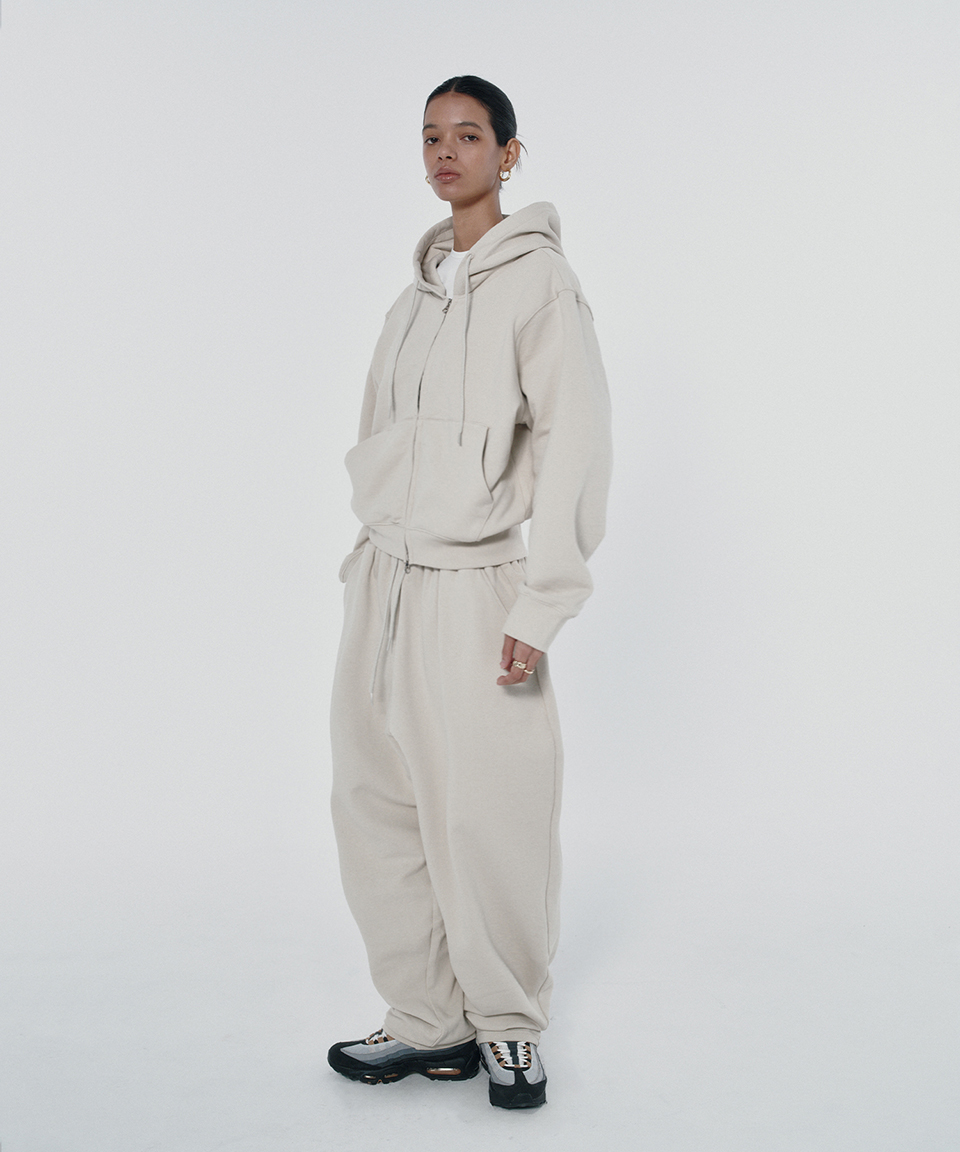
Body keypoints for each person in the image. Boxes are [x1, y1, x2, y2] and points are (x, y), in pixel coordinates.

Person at [327, 75, 612, 1111]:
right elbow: (378, 427)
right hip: (385, 579)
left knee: (492, 815)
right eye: (431, 137)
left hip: (476, 584)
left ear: (509, 154)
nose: (446, 152)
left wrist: (543, 602)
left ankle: (508, 1026)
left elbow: (577, 444)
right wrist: (368, 551)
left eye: (469, 135)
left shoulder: (542, 287)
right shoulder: (415, 296)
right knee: (378, 808)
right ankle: (427, 1020)